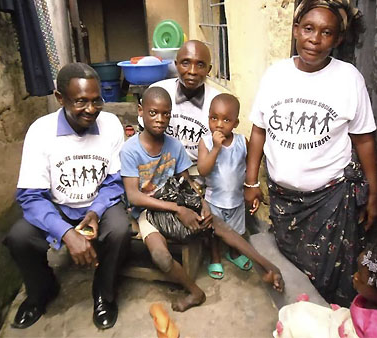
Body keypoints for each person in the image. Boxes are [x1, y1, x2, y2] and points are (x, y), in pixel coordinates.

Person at [245, 0, 377, 306]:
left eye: (326, 32)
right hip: (283, 200)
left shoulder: (349, 79)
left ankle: (327, 321)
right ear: (296, 30)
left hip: (330, 201)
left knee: (331, 274)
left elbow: (364, 140)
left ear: (338, 39)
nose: (315, 39)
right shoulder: (275, 75)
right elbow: (258, 130)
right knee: (288, 266)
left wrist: (374, 194)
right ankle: (298, 318)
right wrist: (251, 182)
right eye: (308, 28)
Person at [120, 87, 284, 312]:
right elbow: (134, 196)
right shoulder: (130, 150)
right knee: (161, 256)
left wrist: (202, 204)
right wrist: (178, 209)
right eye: (153, 113)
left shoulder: (174, 145)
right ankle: (195, 292)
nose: (160, 119)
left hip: (177, 202)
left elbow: (186, 182)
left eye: (166, 114)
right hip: (149, 211)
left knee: (220, 226)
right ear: (141, 111)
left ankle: (268, 266)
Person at [4, 63, 132, 330]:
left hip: (97, 205)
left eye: (97, 100)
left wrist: (96, 211)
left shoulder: (110, 125)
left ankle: (103, 294)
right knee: (19, 237)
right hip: (57, 206)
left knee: (120, 228)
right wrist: (65, 232)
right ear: (60, 98)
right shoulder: (41, 131)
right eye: (81, 101)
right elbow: (31, 196)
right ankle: (42, 291)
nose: (91, 109)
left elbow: (114, 181)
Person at [150, 40, 225, 278]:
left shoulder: (218, 100)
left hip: (200, 171)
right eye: (185, 63)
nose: (192, 71)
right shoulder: (160, 92)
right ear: (175, 64)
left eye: (200, 65)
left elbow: (221, 146)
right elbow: (149, 141)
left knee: (215, 204)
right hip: (163, 171)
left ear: (209, 70)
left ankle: (216, 248)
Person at [272, 232, 377, 338]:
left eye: (361, 279)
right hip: (348, 325)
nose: (355, 277)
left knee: (298, 326)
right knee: (302, 312)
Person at [197, 93, 259, 279]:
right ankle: (215, 258)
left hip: (236, 199)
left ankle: (233, 253)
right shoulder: (206, 142)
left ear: (236, 123)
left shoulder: (242, 142)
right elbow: (203, 170)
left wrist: (253, 190)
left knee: (237, 232)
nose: (219, 124)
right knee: (215, 233)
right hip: (214, 200)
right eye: (214, 118)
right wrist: (216, 148)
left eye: (226, 119)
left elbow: (249, 169)